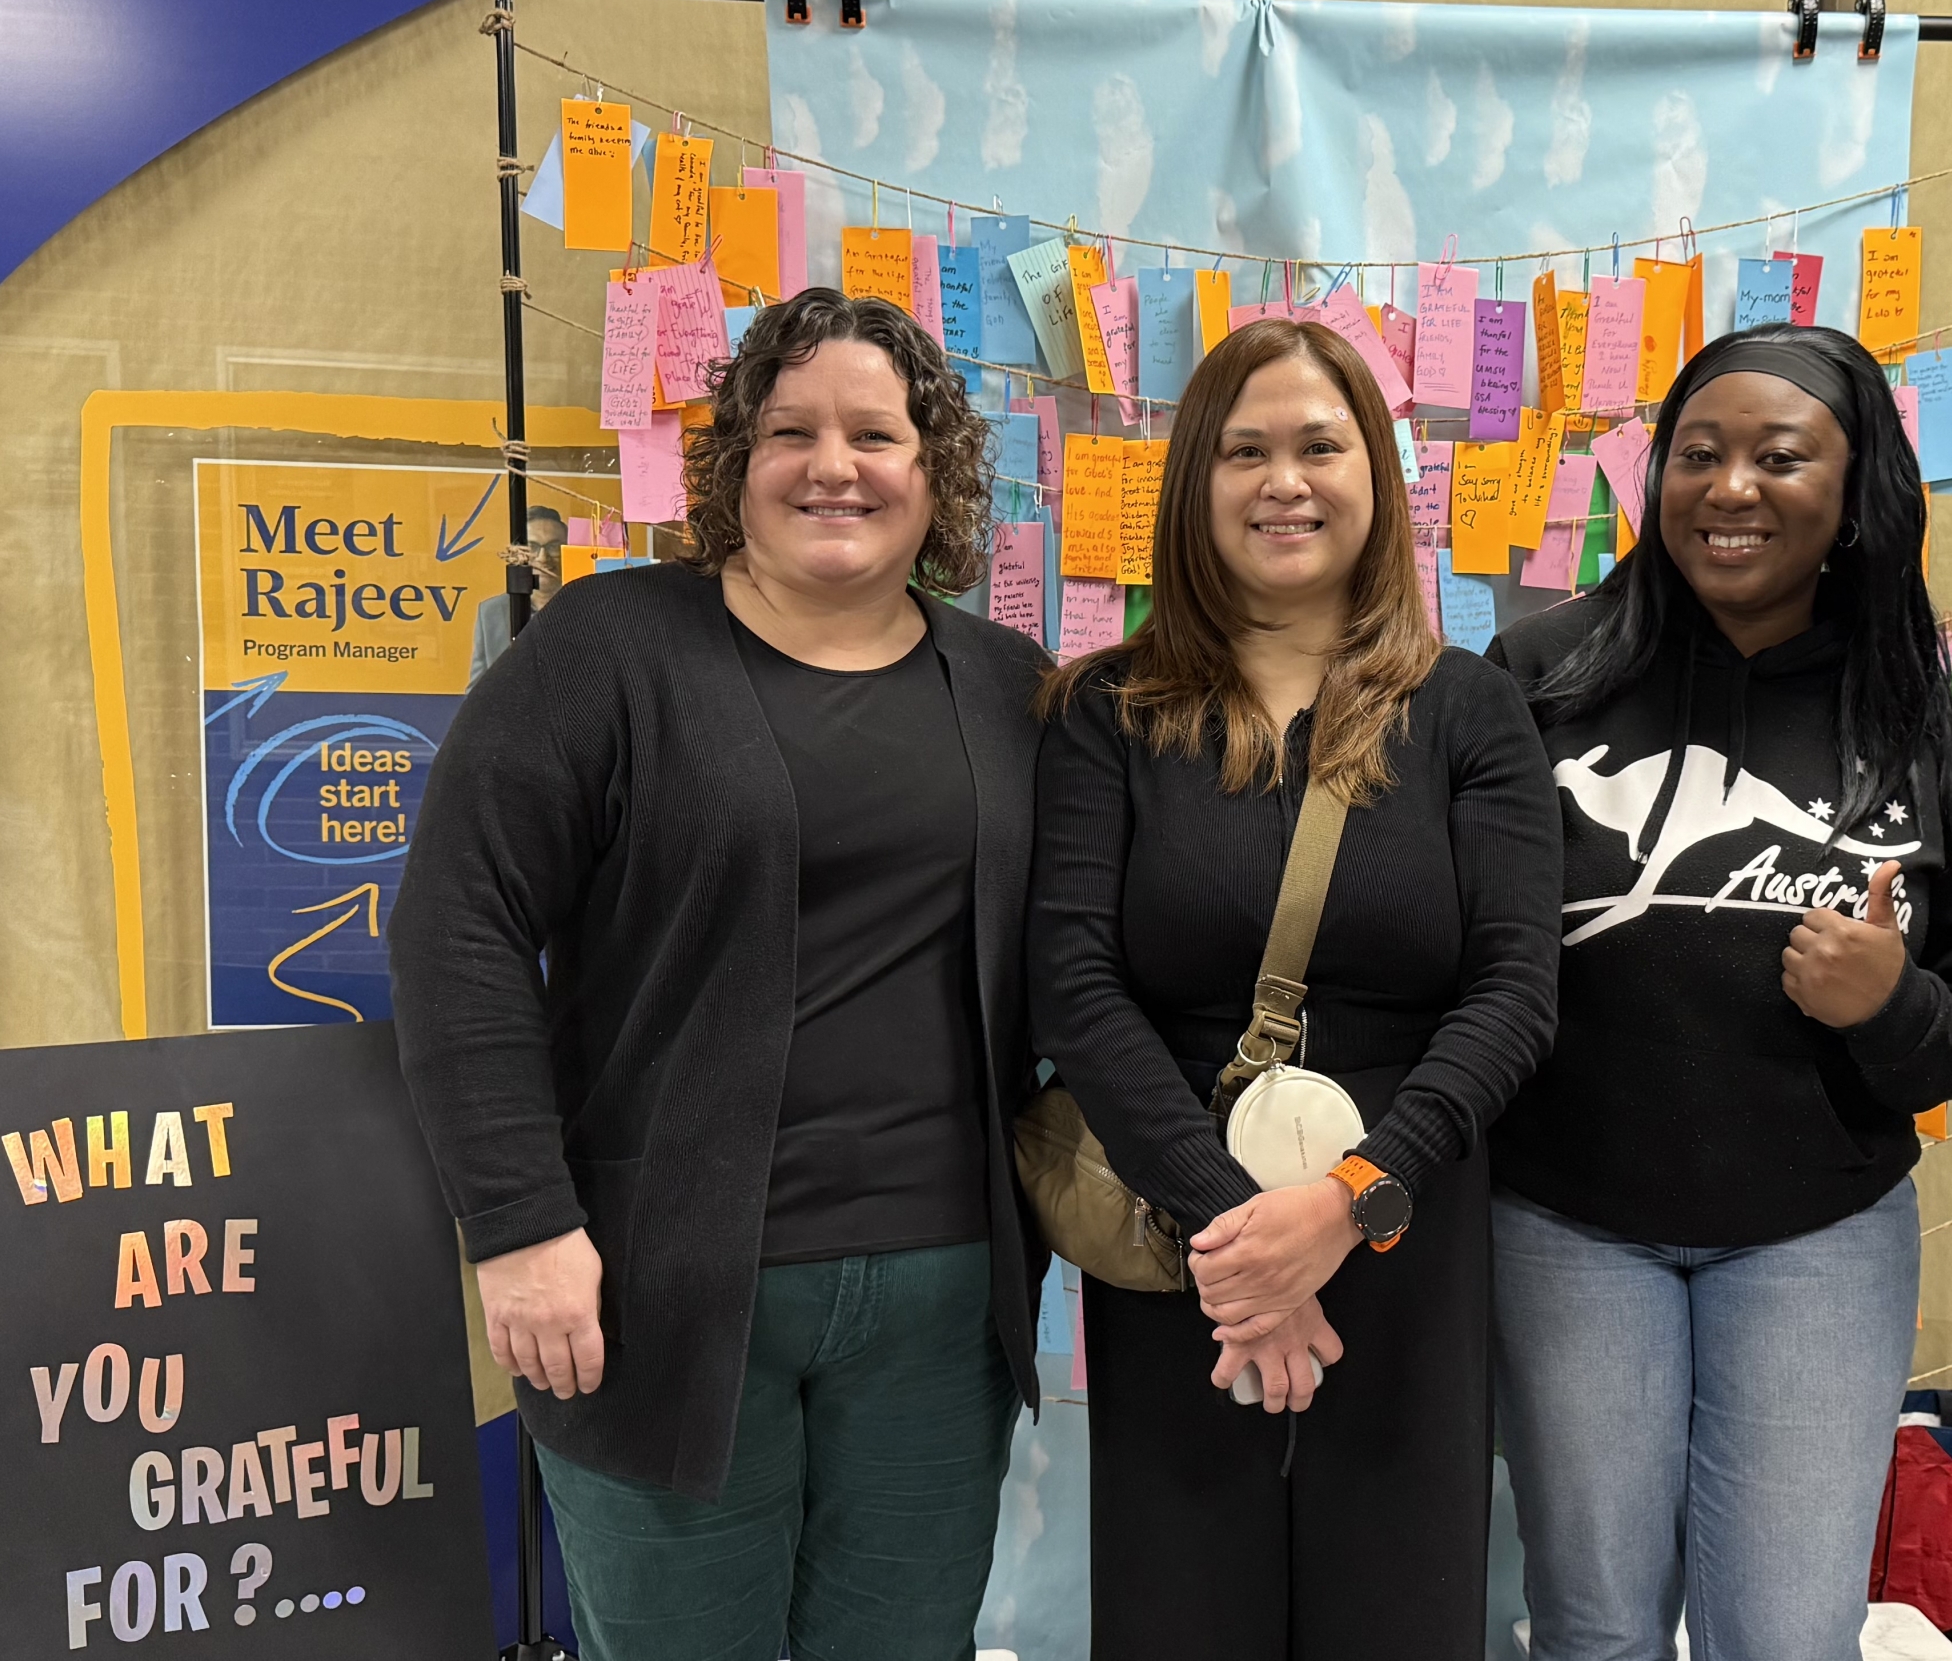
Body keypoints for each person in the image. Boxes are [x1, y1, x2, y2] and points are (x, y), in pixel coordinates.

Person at [390, 289, 1053, 1661]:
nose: (833, 464)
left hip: (943, 1298)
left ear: (936, 473)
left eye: (877, 432)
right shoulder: (607, 652)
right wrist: (517, 1222)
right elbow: (456, 928)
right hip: (660, 1295)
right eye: (790, 429)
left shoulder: (1009, 687)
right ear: (734, 462)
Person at [1027, 315, 1560, 1661]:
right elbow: (1075, 980)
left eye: (1320, 444)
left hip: (1405, 1225)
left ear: (1376, 472)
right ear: (1194, 482)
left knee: (1402, 1609)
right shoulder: (1109, 711)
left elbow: (1514, 990)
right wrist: (1243, 1241)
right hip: (1182, 1236)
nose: (1286, 479)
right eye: (1245, 449)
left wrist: (1350, 1201)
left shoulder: (1469, 709)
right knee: (1177, 1610)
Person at [1484, 323, 1952, 1661]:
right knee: (1593, 1625)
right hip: (1567, 1220)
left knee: (1782, 1632)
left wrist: (1888, 1003)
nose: (1731, 487)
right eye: (1697, 455)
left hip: (1815, 1235)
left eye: (1780, 457)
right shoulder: (1538, 675)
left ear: (1854, 489)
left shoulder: (1917, 722)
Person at [467, 503, 567, 684]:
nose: (543, 558)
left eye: (554, 546)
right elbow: (477, 692)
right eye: (533, 547)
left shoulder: (587, 608)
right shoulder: (491, 612)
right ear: (518, 554)